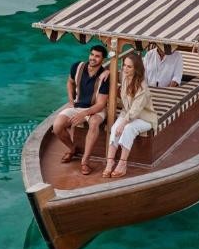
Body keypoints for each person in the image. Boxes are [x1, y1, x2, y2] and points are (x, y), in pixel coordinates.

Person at [53, 43, 109, 175]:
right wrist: (70, 99)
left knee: (94, 123)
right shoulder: (77, 66)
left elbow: (101, 104)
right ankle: (72, 149)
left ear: (103, 59)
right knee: (57, 126)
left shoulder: (104, 76)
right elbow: (70, 82)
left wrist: (84, 114)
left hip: (95, 109)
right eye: (92, 54)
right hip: (78, 106)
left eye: (97, 56)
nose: (93, 58)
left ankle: (85, 160)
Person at [102, 51, 157, 179]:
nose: (125, 69)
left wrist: (123, 123)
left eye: (129, 67)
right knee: (114, 128)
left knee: (128, 128)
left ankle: (122, 164)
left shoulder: (142, 87)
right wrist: (107, 71)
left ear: (136, 69)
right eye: (124, 65)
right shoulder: (125, 77)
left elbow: (135, 111)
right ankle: (110, 162)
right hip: (127, 113)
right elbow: (113, 72)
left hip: (144, 117)